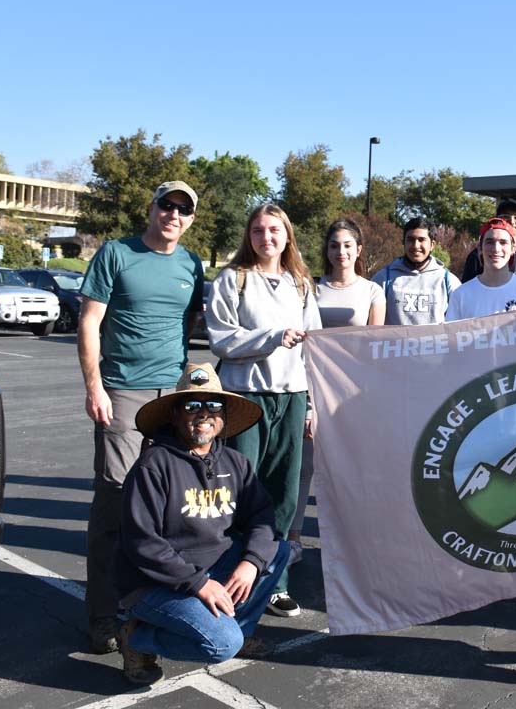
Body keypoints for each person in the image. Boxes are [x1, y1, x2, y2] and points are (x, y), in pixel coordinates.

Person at [78, 181, 205, 654]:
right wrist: (95, 386)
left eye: (182, 210)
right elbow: (90, 321)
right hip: (122, 392)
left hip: (171, 395)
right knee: (114, 502)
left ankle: (150, 606)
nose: (173, 214)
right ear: (150, 208)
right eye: (166, 205)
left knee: (165, 506)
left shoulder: (191, 265)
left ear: (191, 219)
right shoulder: (116, 253)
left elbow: (186, 323)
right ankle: (102, 616)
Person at [116, 363, 289, 685]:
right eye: (192, 405)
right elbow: (142, 542)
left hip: (213, 567)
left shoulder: (236, 462)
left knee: (278, 551)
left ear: (223, 417)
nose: (204, 414)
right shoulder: (153, 466)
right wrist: (198, 584)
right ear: (174, 414)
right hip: (157, 583)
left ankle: (241, 626)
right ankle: (137, 637)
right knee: (221, 644)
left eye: (214, 406)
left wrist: (250, 563)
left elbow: (262, 517)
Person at [206, 204, 321, 619]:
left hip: (290, 396)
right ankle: (228, 580)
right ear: (248, 236)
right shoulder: (233, 280)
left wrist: (311, 404)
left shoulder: (302, 284)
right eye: (258, 230)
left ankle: (274, 582)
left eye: (274, 230)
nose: (266, 237)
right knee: (240, 491)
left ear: (287, 236)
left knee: (284, 493)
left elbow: (315, 347)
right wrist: (272, 337)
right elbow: (222, 339)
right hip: (245, 398)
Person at [285, 219, 386, 558]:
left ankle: (351, 544)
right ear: (326, 250)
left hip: (352, 394)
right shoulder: (308, 288)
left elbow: (373, 349)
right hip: (310, 387)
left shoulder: (373, 291)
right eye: (334, 245)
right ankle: (294, 539)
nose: (340, 252)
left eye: (347, 245)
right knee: (303, 469)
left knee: (352, 470)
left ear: (358, 250)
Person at [445, 217, 516, 320]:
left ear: (513, 249)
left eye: (503, 242)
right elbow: (451, 335)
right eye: (490, 242)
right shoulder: (460, 295)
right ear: (479, 248)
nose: (496, 249)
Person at [374, 217, 461, 325]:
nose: (415, 246)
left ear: (432, 245)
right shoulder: (382, 279)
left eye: (421, 240)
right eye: (410, 239)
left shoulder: (449, 281)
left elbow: (459, 326)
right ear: (403, 243)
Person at [460, 199, 516, 286]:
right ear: (497, 220)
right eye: (506, 216)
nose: (511, 221)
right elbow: (467, 291)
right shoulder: (479, 256)